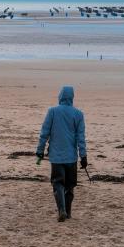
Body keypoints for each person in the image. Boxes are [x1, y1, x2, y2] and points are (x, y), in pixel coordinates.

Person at [36, 86, 87, 222]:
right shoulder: (78, 114)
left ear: (60, 96)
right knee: (70, 185)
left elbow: (44, 133)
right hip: (71, 157)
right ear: (72, 97)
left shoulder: (52, 111)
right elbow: (80, 137)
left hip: (56, 157)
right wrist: (83, 156)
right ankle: (68, 212)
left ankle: (61, 210)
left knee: (58, 183)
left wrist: (40, 150)